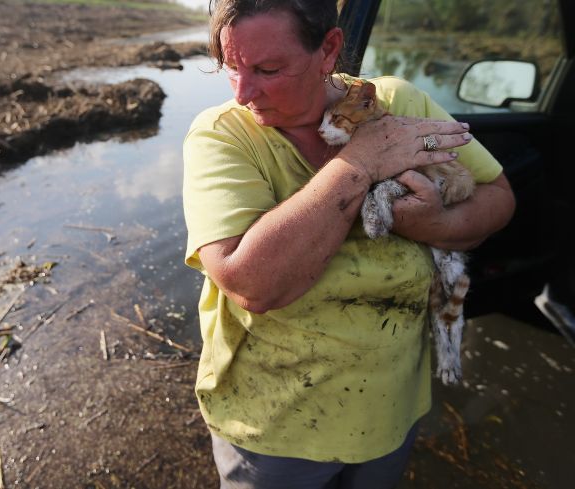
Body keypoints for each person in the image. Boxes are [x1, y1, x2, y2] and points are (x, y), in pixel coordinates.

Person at [181, 1, 516, 487]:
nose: (242, 93)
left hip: (389, 408)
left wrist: (433, 224)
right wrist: (359, 163)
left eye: (268, 69)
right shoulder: (224, 135)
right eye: (230, 68)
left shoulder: (400, 103)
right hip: (274, 424)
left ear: (329, 49)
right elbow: (252, 284)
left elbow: (499, 197)